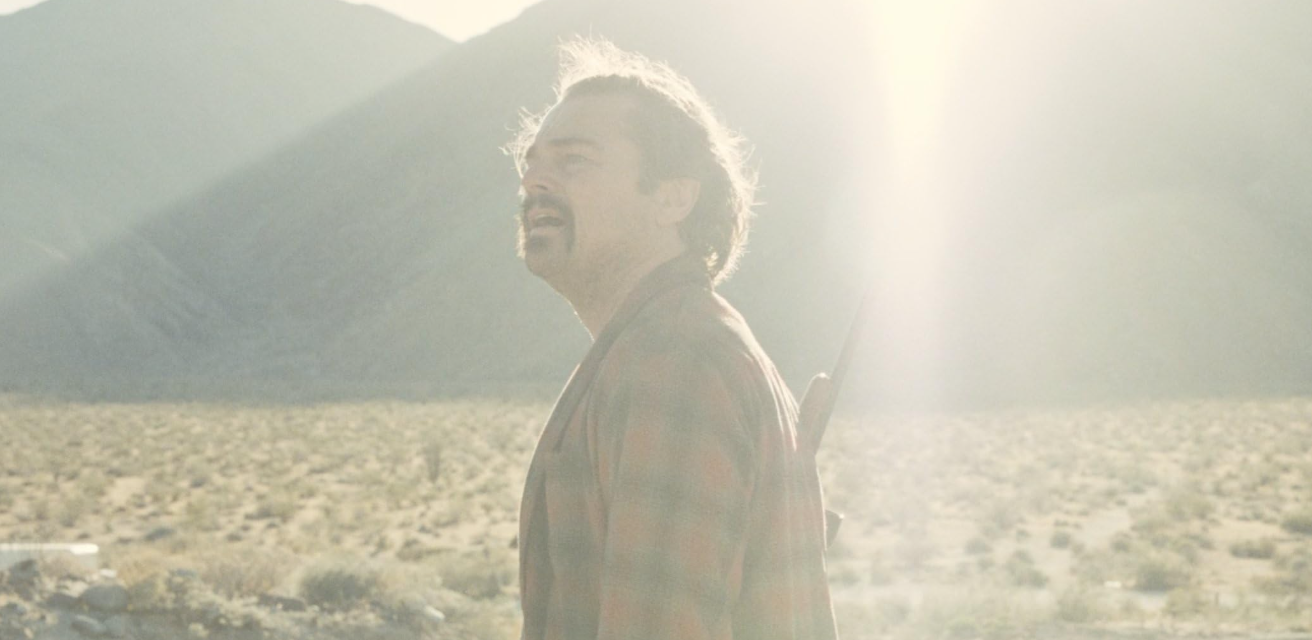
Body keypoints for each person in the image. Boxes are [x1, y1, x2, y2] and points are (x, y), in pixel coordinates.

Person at [508, 37, 839, 640]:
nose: (535, 180)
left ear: (672, 197)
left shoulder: (675, 361)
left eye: (574, 160)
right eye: (530, 164)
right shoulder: (656, 346)